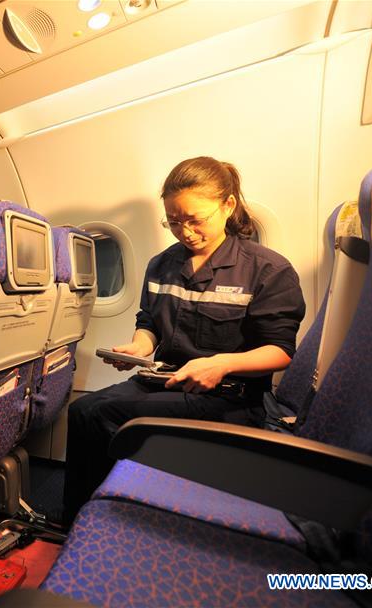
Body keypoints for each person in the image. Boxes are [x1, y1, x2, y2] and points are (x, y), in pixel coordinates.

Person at [62, 156, 305, 523]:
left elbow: (281, 352)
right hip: (166, 380)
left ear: (228, 206)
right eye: (174, 221)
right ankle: (82, 520)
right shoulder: (161, 264)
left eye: (196, 220)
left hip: (229, 396)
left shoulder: (268, 269)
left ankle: (111, 517)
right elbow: (149, 324)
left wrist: (221, 363)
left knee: (102, 414)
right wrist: (139, 348)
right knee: (82, 411)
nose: (185, 232)